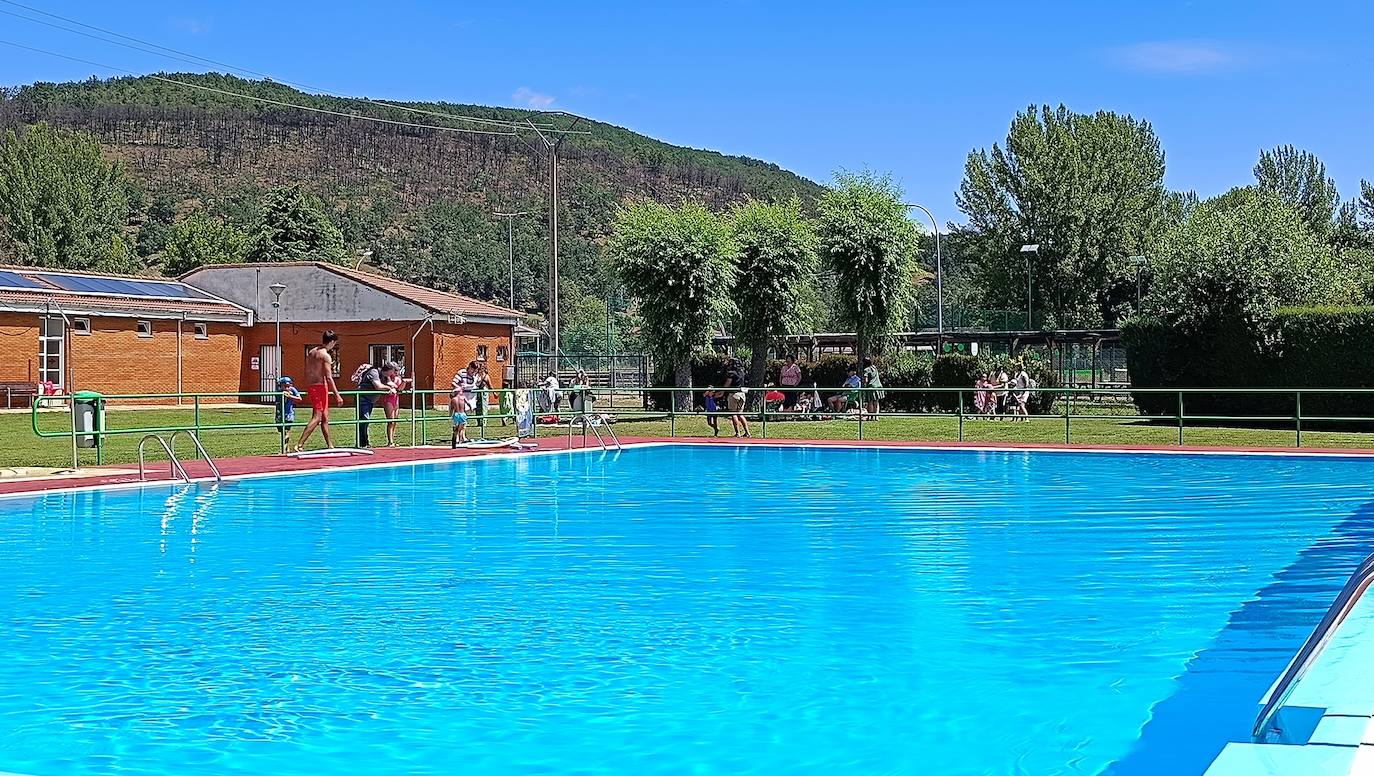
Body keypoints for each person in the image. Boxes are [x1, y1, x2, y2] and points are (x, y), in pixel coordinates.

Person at [295, 331, 343, 451]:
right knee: (318, 416)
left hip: (312, 386)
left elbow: (308, 371)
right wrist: (337, 395)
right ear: (331, 342)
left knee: (325, 417)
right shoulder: (325, 355)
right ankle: (299, 444)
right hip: (320, 386)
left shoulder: (311, 352)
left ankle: (330, 445)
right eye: (334, 343)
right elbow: (329, 377)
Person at [355, 361, 396, 448]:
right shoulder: (374, 372)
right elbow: (378, 386)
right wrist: (389, 388)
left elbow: (391, 384)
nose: (394, 373)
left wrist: (390, 383)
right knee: (364, 420)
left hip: (370, 400)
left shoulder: (384, 376)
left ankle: (364, 443)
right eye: (393, 371)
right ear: (389, 370)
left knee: (365, 420)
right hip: (363, 398)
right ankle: (362, 444)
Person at [382, 362, 409, 447]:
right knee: (391, 421)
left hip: (396, 399)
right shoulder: (386, 378)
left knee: (395, 421)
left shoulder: (398, 379)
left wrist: (404, 383)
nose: (397, 372)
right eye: (395, 370)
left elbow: (399, 389)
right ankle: (390, 441)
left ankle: (392, 440)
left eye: (397, 370)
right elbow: (391, 386)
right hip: (388, 400)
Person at [723, 357, 750, 437]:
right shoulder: (742, 372)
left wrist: (722, 390)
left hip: (734, 394)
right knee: (740, 414)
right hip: (742, 394)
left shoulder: (731, 373)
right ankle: (747, 432)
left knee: (733, 413)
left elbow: (728, 383)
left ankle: (737, 433)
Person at [275, 376, 303, 449]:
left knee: (287, 431)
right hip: (280, 414)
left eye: (288, 386)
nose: (287, 388)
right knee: (282, 431)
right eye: (285, 386)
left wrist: (290, 396)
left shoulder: (293, 390)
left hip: (289, 414)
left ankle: (284, 449)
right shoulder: (278, 391)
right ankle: (286, 448)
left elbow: (299, 399)